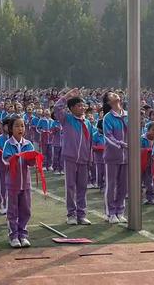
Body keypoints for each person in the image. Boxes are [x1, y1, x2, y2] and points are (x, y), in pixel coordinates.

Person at [54, 88, 93, 225]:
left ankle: (81, 214)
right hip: (70, 158)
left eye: (83, 105)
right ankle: (71, 214)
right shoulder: (67, 119)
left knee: (82, 187)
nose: (82, 108)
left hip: (84, 159)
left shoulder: (87, 123)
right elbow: (57, 108)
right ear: (71, 108)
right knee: (70, 186)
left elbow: (90, 142)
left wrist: (90, 157)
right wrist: (67, 96)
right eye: (79, 105)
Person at [2, 115, 35, 248]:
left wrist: (32, 158)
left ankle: (23, 234)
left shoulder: (28, 144)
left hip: (25, 183)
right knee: (12, 210)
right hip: (13, 184)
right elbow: (5, 160)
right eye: (17, 126)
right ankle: (13, 235)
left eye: (22, 126)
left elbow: (32, 162)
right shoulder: (8, 144)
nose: (20, 128)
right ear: (11, 129)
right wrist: (14, 158)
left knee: (26, 209)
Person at [102, 92, 128, 224]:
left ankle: (120, 211)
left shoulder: (128, 115)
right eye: (111, 95)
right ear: (108, 102)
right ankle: (110, 212)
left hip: (127, 157)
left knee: (123, 186)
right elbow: (108, 136)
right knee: (111, 185)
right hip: (113, 156)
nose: (115, 95)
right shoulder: (108, 117)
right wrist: (121, 145)